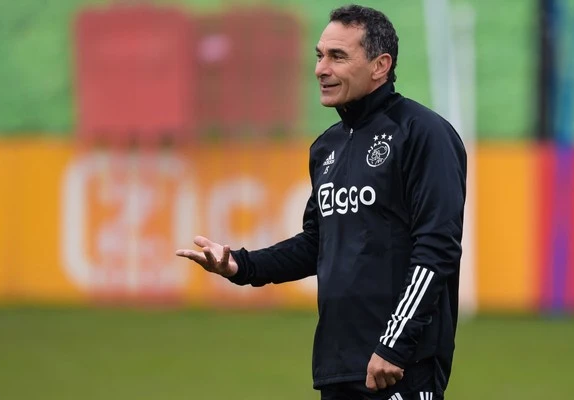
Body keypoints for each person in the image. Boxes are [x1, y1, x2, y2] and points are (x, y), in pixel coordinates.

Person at [176, 4, 467, 400]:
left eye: (337, 56)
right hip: (339, 366)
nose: (320, 69)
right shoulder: (327, 147)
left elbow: (437, 248)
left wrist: (394, 344)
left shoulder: (423, 133)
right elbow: (318, 243)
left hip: (397, 367)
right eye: (319, 55)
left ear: (380, 65)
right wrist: (241, 265)